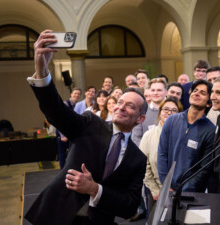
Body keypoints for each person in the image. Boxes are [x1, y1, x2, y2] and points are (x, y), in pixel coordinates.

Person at [25, 30, 147, 225]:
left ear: (140, 119)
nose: (121, 106)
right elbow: (55, 111)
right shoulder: (90, 123)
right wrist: (41, 69)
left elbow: (130, 206)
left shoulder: (138, 159)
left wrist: (94, 189)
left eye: (130, 106)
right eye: (120, 102)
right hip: (58, 215)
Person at [158, 80, 215, 192]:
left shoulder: (211, 130)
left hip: (192, 193)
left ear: (208, 103)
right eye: (195, 91)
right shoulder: (171, 120)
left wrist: (183, 190)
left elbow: (204, 169)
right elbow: (162, 153)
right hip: (168, 189)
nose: (196, 94)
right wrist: (166, 184)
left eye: (203, 93)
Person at [139, 97, 182, 208]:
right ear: (160, 112)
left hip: (181, 191)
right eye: (165, 109)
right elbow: (143, 166)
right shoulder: (148, 135)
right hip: (155, 192)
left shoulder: (184, 135)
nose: (169, 113)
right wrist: (156, 190)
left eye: (174, 110)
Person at [132, 78, 167, 146]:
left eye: (159, 90)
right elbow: (136, 138)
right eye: (153, 90)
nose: (155, 93)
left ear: (166, 92)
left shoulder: (176, 111)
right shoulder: (141, 111)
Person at [56, 87, 82, 169]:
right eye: (75, 93)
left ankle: (69, 170)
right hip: (62, 131)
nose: (76, 95)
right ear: (71, 94)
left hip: (71, 131)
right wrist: (63, 135)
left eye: (78, 94)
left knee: (72, 153)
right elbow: (59, 119)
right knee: (62, 153)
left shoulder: (78, 105)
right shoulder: (65, 104)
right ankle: (62, 172)